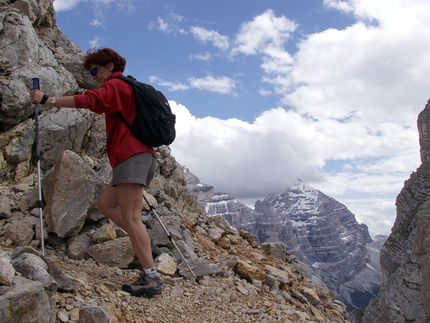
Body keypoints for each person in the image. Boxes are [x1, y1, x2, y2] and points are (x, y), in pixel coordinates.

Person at [30, 47, 162, 297]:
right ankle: (145, 242)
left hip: (132, 156)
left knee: (132, 218)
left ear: (109, 66)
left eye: (94, 70)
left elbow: (90, 100)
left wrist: (49, 100)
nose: (94, 77)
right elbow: (99, 105)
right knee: (105, 204)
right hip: (135, 157)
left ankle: (151, 278)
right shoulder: (124, 89)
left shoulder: (116, 85)